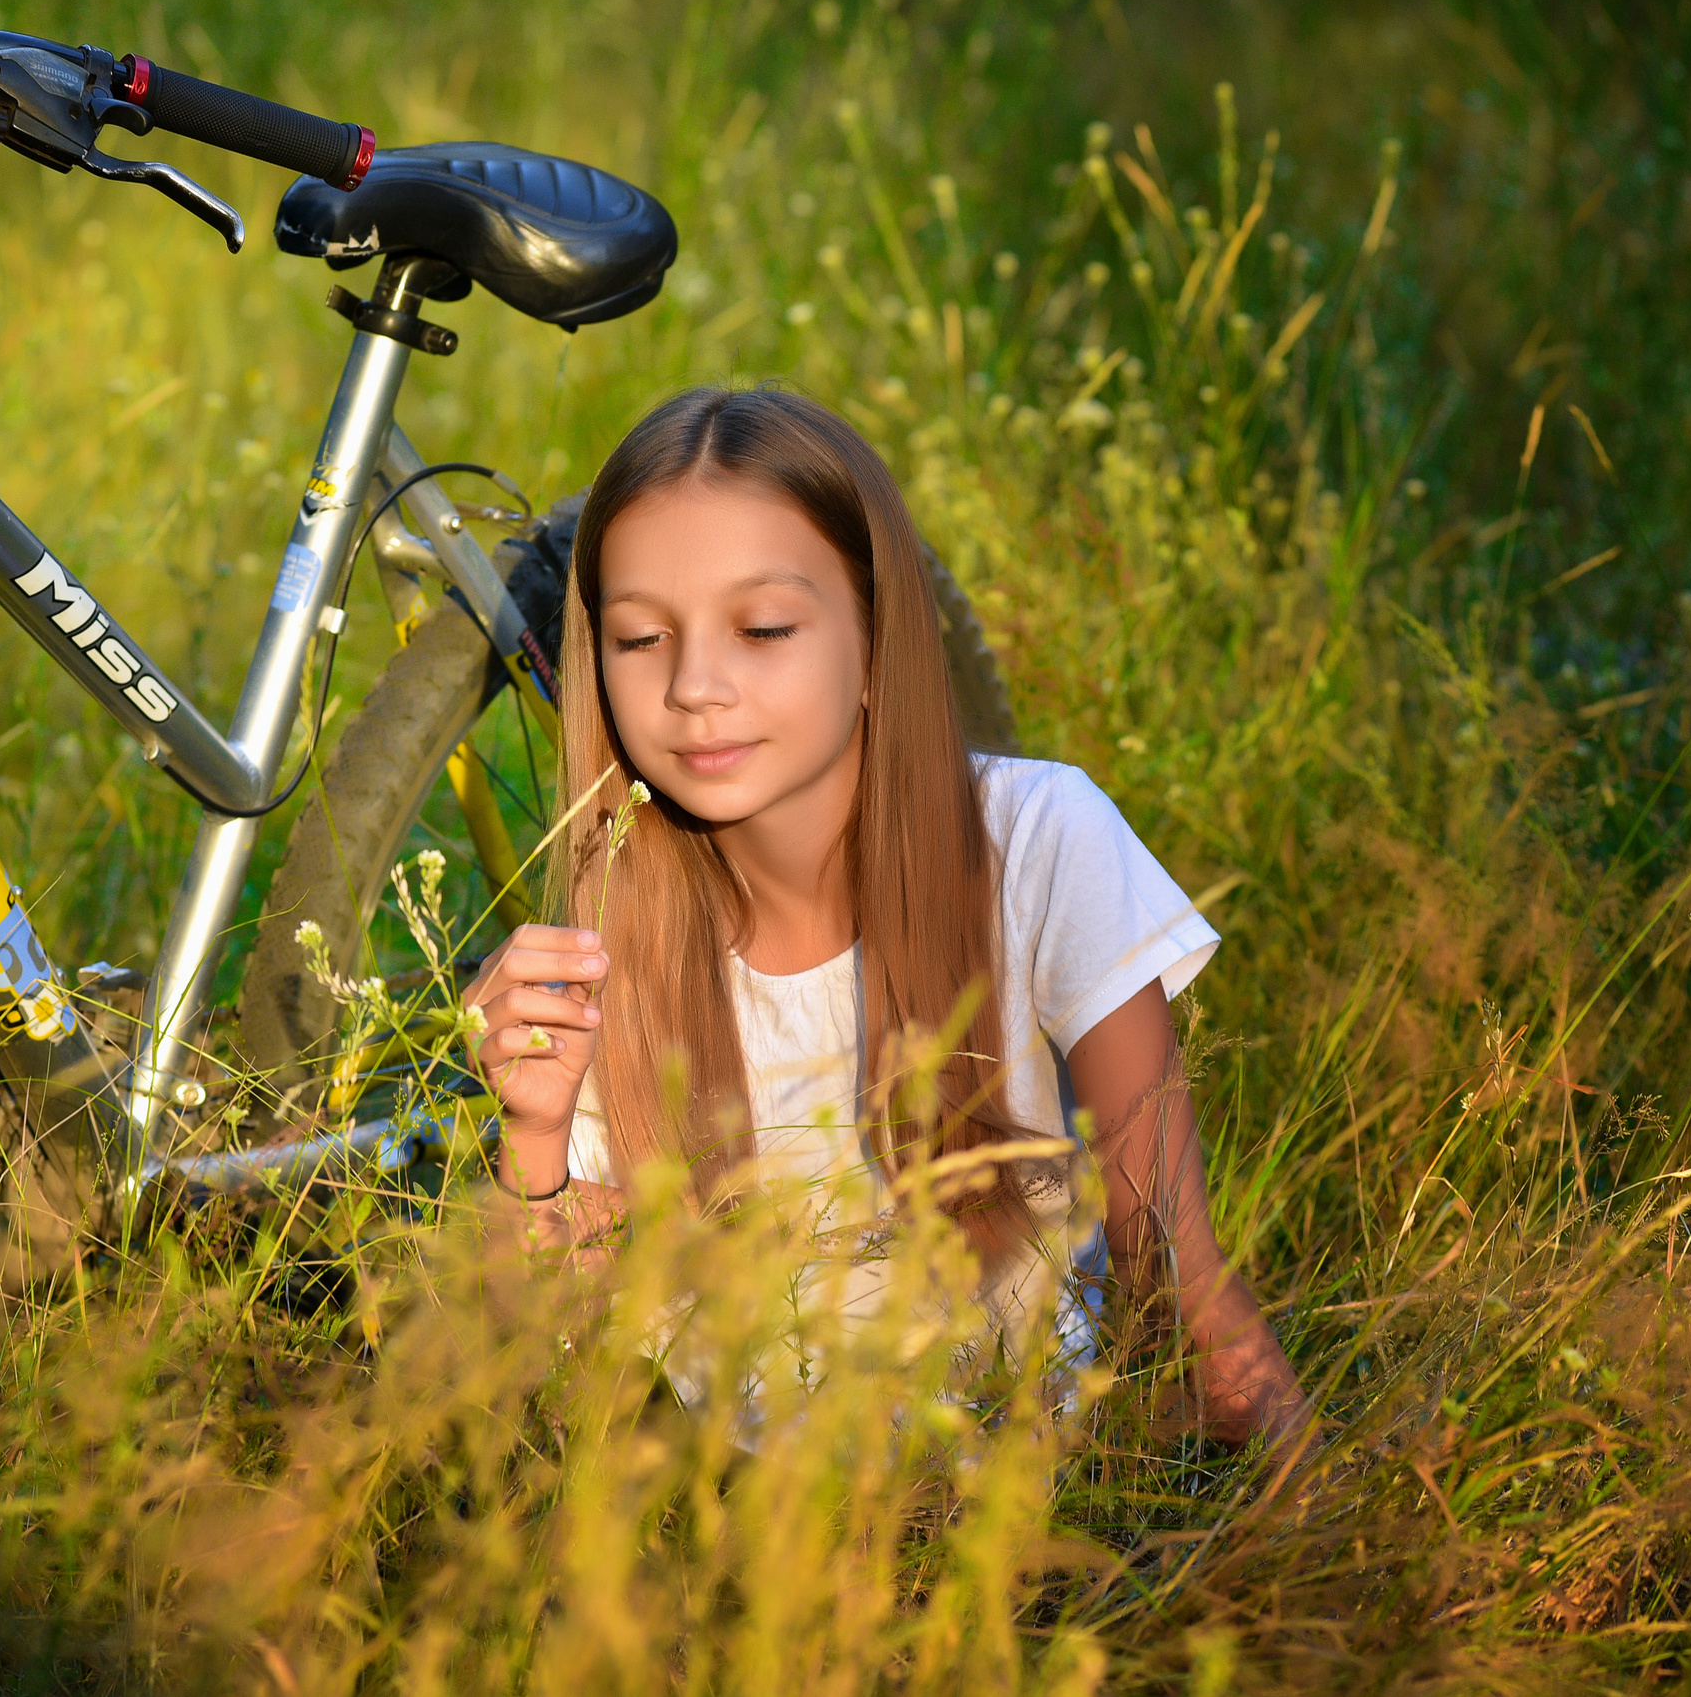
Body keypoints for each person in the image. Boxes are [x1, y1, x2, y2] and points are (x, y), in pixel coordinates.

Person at [461, 385, 1309, 1447]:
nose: (694, 686)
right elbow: (545, 1358)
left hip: (1010, 1493)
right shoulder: (616, 922)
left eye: (763, 627)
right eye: (640, 639)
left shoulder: (1037, 840)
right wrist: (532, 1135)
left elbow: (1183, 1280)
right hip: (730, 1524)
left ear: (874, 633)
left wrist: (1325, 1544)